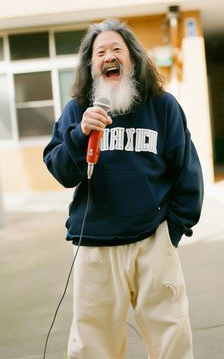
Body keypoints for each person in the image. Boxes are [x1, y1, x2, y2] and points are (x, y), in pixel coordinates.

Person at [43, 18, 204, 359]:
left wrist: (172, 231)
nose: (109, 56)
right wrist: (78, 134)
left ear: (133, 58)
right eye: (100, 52)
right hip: (95, 247)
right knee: (93, 345)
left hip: (152, 241)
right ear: (92, 65)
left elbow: (187, 172)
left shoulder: (163, 106)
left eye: (117, 49)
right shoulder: (77, 110)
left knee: (171, 337)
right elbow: (60, 171)